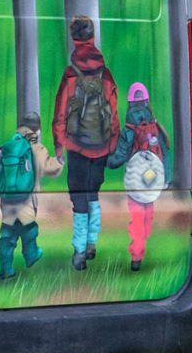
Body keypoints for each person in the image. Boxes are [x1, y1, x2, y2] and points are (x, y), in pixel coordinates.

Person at [52, 17, 121, 270]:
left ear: (74, 38)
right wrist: (112, 142)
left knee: (78, 197)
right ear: (92, 37)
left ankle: (79, 251)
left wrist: (59, 143)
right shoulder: (106, 74)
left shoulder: (70, 74)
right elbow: (113, 113)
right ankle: (92, 243)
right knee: (93, 194)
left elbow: (61, 111)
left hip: (77, 147)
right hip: (101, 145)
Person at [0, 112, 59, 280]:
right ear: (36, 129)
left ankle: (6, 269)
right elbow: (50, 168)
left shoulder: (7, 146)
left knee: (7, 233)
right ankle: (31, 255)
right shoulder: (35, 147)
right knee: (29, 228)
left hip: (7, 199)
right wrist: (60, 161)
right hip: (26, 199)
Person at [109, 80, 169, 272]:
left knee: (136, 216)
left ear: (129, 104)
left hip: (135, 182)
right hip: (152, 181)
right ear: (147, 102)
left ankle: (136, 254)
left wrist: (104, 162)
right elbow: (164, 154)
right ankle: (143, 240)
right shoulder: (155, 128)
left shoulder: (128, 131)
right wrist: (165, 179)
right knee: (148, 213)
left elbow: (118, 157)